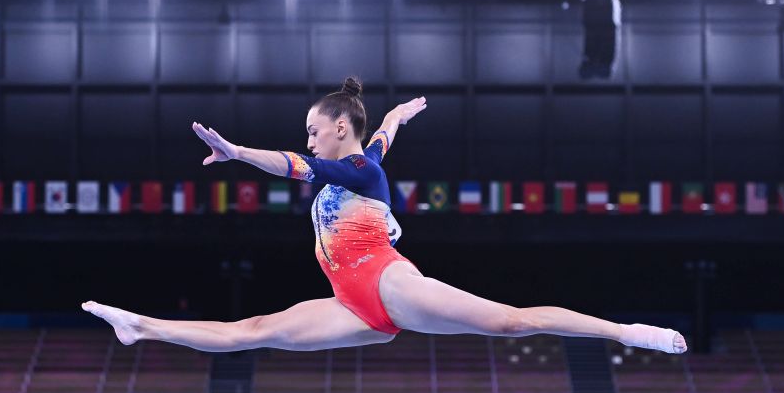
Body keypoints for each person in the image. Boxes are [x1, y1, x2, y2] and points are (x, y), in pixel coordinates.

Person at [83, 78, 687, 356]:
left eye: (315, 130)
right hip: (353, 305)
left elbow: (293, 165)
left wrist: (239, 153)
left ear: (339, 128)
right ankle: (143, 326)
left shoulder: (353, 172)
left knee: (511, 323)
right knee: (254, 332)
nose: (310, 140)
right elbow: (385, 135)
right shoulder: (367, 156)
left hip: (387, 283)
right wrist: (397, 114)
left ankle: (625, 332)